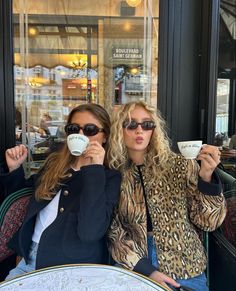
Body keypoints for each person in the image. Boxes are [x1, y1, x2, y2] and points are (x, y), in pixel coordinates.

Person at [107, 101, 226, 291]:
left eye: (147, 125)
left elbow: (208, 222)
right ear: (119, 130)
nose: (140, 131)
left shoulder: (180, 165)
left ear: (154, 130)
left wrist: (206, 177)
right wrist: (148, 270)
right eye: (131, 124)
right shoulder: (113, 174)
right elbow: (114, 232)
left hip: (185, 264)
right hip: (135, 263)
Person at [0, 103, 121, 279]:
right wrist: (14, 169)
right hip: (29, 261)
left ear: (105, 137)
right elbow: (26, 201)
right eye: (73, 129)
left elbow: (90, 232)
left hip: (73, 269)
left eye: (90, 130)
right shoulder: (54, 164)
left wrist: (94, 169)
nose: (81, 135)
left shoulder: (109, 177)